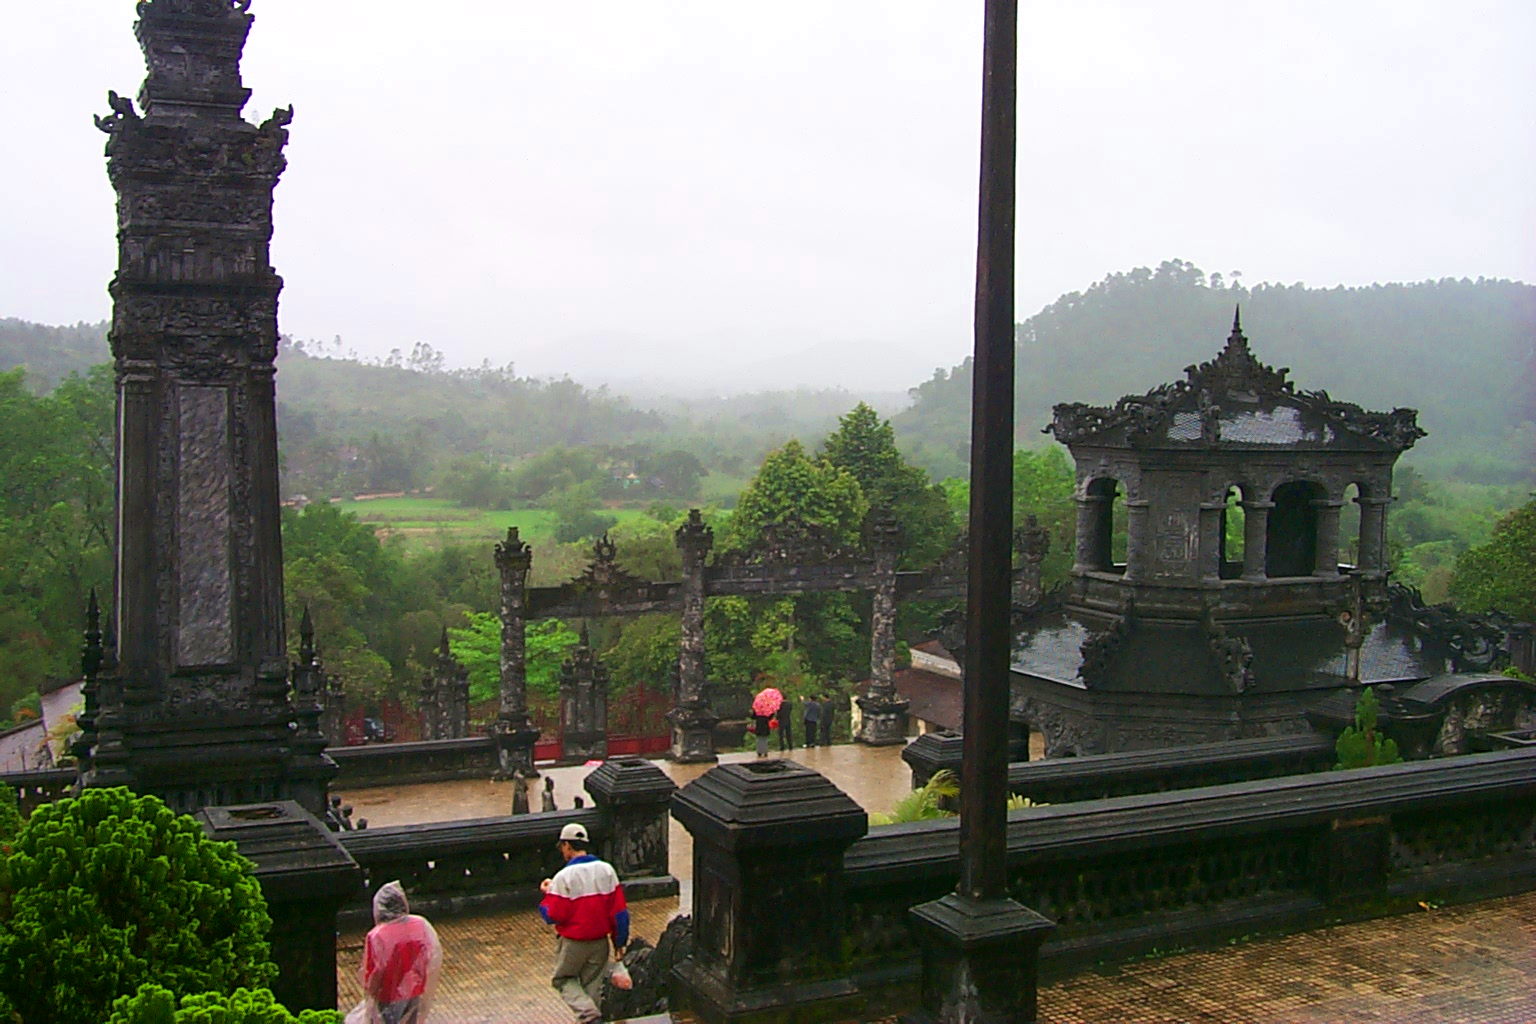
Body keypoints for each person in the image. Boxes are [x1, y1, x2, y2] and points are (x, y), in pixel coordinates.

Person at [539, 822, 629, 1024]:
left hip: (573, 943)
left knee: (563, 979)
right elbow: (619, 913)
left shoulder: (563, 877)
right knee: (593, 985)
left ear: (567, 846)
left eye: (562, 847)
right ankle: (592, 1018)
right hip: (600, 941)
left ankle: (588, 1015)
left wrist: (547, 893)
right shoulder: (607, 870)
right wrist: (619, 942)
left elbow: (552, 915)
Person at [359, 880, 442, 1024]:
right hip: (415, 989)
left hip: (387, 995)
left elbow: (377, 971)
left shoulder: (376, 935)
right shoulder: (420, 924)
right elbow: (431, 955)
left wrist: (370, 998)